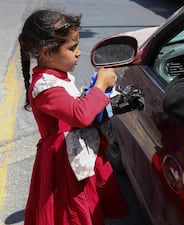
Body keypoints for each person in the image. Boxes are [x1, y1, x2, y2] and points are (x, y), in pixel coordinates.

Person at [18, 9, 129, 225]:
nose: (78, 53)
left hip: (74, 156)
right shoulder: (45, 87)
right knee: (71, 214)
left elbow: (78, 110)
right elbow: (80, 115)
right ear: (47, 53)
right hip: (62, 166)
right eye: (72, 48)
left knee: (85, 207)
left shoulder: (57, 75)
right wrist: (100, 86)